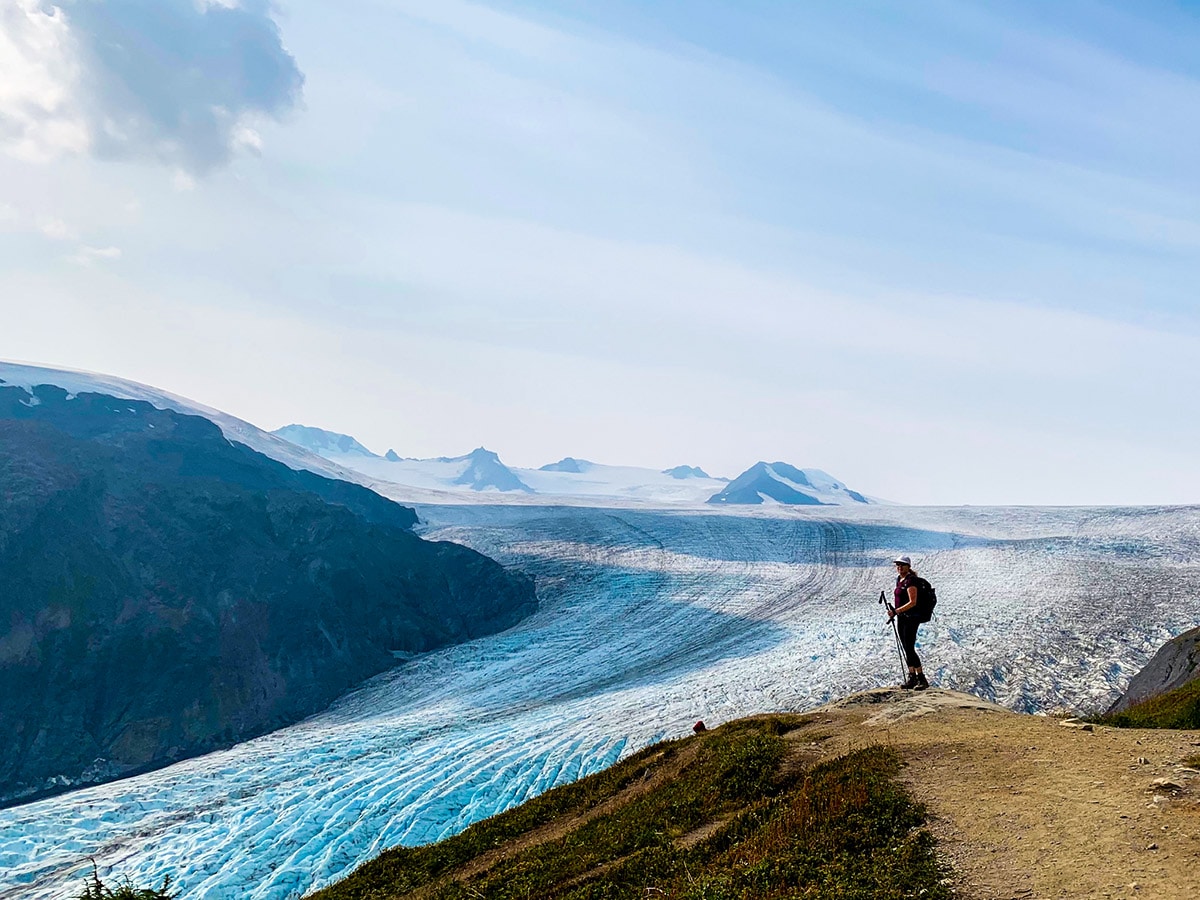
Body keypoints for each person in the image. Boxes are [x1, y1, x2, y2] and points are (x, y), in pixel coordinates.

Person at [888, 555, 929, 690]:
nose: (899, 567)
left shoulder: (911, 581)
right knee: (906, 647)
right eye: (898, 565)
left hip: (911, 618)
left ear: (908, 567)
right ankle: (912, 677)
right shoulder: (899, 580)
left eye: (902, 565)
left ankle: (921, 678)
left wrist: (896, 611)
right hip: (902, 618)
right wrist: (896, 612)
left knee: (910, 647)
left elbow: (913, 602)